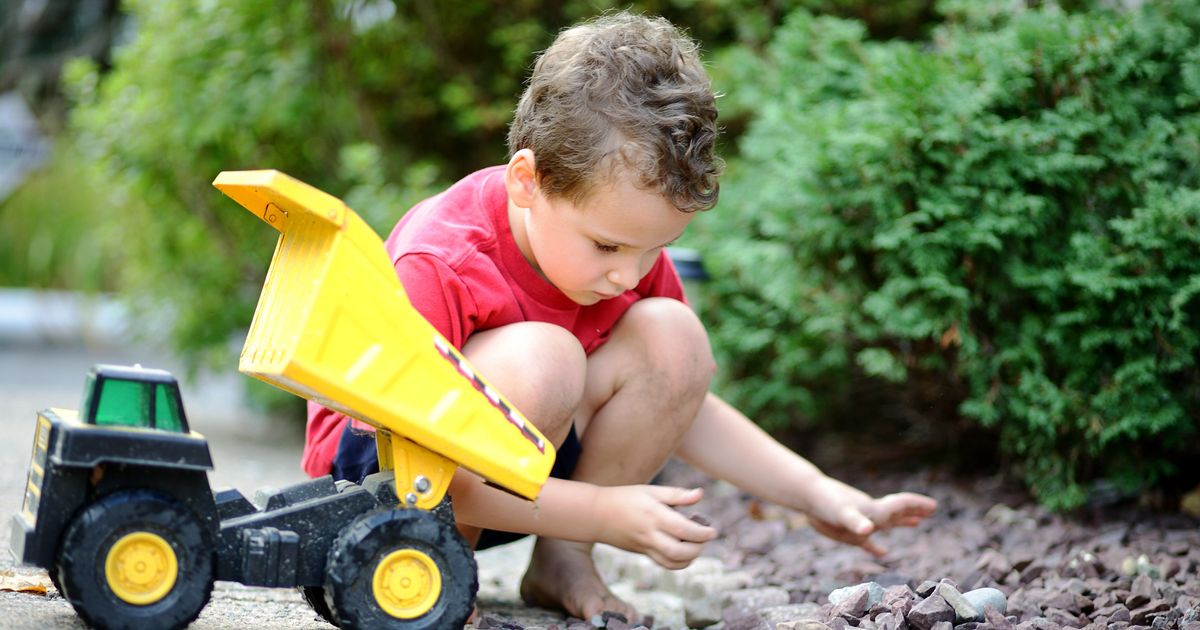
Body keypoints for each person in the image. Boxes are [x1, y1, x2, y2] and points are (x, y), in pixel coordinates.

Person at [302, 11, 937, 622]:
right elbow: (413, 465)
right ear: (529, 182)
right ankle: (440, 563)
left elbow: (681, 399)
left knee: (674, 335)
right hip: (385, 484)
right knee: (547, 356)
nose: (628, 276)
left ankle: (562, 561)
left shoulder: (617, 260)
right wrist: (604, 510)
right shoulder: (442, 259)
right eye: (607, 246)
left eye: (652, 250)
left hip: (520, 485)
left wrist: (815, 492)